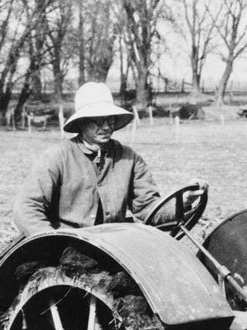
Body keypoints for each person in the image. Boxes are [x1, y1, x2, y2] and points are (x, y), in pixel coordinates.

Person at [13, 82, 205, 236]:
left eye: (110, 119)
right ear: (81, 122)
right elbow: (27, 208)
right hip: (67, 246)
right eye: (98, 120)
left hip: (113, 247)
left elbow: (149, 209)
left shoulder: (129, 159)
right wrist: (48, 241)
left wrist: (184, 200)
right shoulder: (58, 157)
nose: (106, 126)